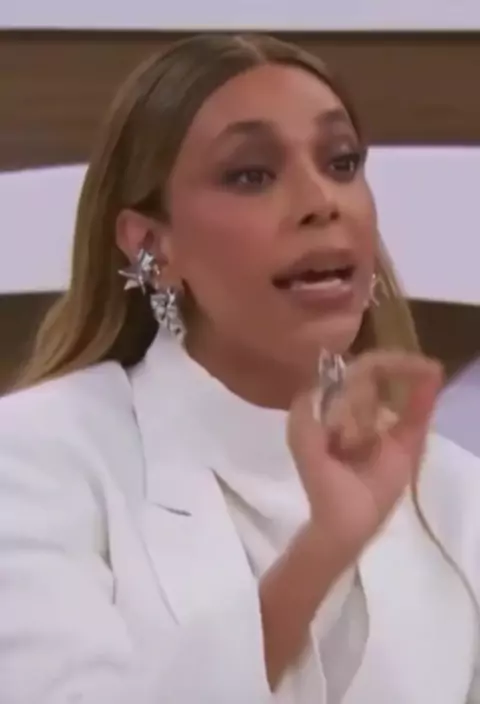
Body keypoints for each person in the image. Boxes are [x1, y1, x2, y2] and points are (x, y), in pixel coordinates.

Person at [0, 33, 478, 704]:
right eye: (251, 174)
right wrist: (322, 552)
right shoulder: (36, 454)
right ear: (152, 245)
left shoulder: (456, 489)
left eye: (342, 162)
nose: (322, 201)